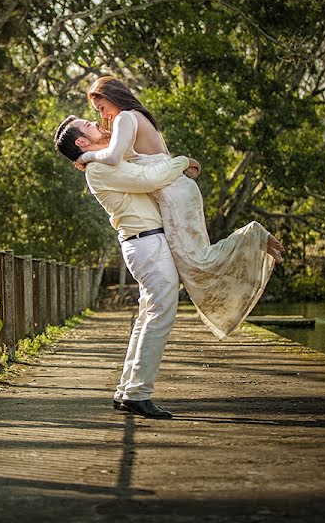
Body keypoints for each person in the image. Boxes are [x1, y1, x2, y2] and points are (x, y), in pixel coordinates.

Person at [80, 76, 283, 339]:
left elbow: (116, 157)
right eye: (97, 111)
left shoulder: (125, 117)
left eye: (101, 106)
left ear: (112, 95)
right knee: (197, 258)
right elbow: (137, 157)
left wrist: (86, 156)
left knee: (195, 261)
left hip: (173, 193)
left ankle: (254, 236)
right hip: (177, 190)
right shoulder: (132, 118)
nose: (101, 113)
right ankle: (254, 240)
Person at [54, 116, 197, 419]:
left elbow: (141, 166)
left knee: (148, 317)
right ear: (82, 142)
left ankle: (127, 390)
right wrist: (182, 160)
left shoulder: (103, 162)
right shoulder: (100, 168)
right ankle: (137, 393)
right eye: (88, 124)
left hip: (147, 244)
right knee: (159, 317)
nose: (96, 121)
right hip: (148, 244)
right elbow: (150, 179)